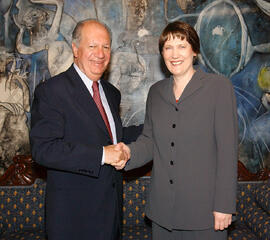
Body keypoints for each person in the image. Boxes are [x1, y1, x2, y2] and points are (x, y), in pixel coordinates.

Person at [118, 21, 238, 240]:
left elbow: (227, 152)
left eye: (182, 46)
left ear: (195, 51)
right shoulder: (156, 92)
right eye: (168, 47)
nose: (175, 54)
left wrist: (224, 204)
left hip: (206, 213)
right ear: (162, 53)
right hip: (162, 213)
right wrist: (126, 153)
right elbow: (149, 141)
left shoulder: (218, 87)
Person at [30, 19, 133, 240]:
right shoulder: (52, 91)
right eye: (92, 46)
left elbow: (114, 136)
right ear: (75, 49)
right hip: (74, 220)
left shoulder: (112, 93)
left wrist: (163, 124)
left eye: (106, 47)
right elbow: (44, 149)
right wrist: (102, 155)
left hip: (111, 216)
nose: (100, 53)